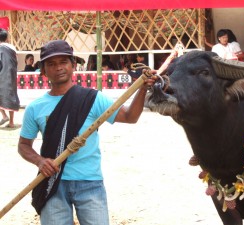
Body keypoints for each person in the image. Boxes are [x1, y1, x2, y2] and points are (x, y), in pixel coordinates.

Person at [17, 40, 156, 225]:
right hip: (52, 183)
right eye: (51, 64)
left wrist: (142, 89)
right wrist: (40, 161)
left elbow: (130, 117)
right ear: (43, 70)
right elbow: (23, 145)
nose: (58, 68)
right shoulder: (35, 108)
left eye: (63, 62)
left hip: (90, 182)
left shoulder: (93, 99)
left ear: (73, 65)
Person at [0, 28, 20, 128]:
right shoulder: (12, 47)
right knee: (11, 96)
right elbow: (16, 61)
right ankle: (11, 122)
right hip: (11, 74)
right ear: (6, 38)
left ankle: (4, 116)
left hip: (2, 74)